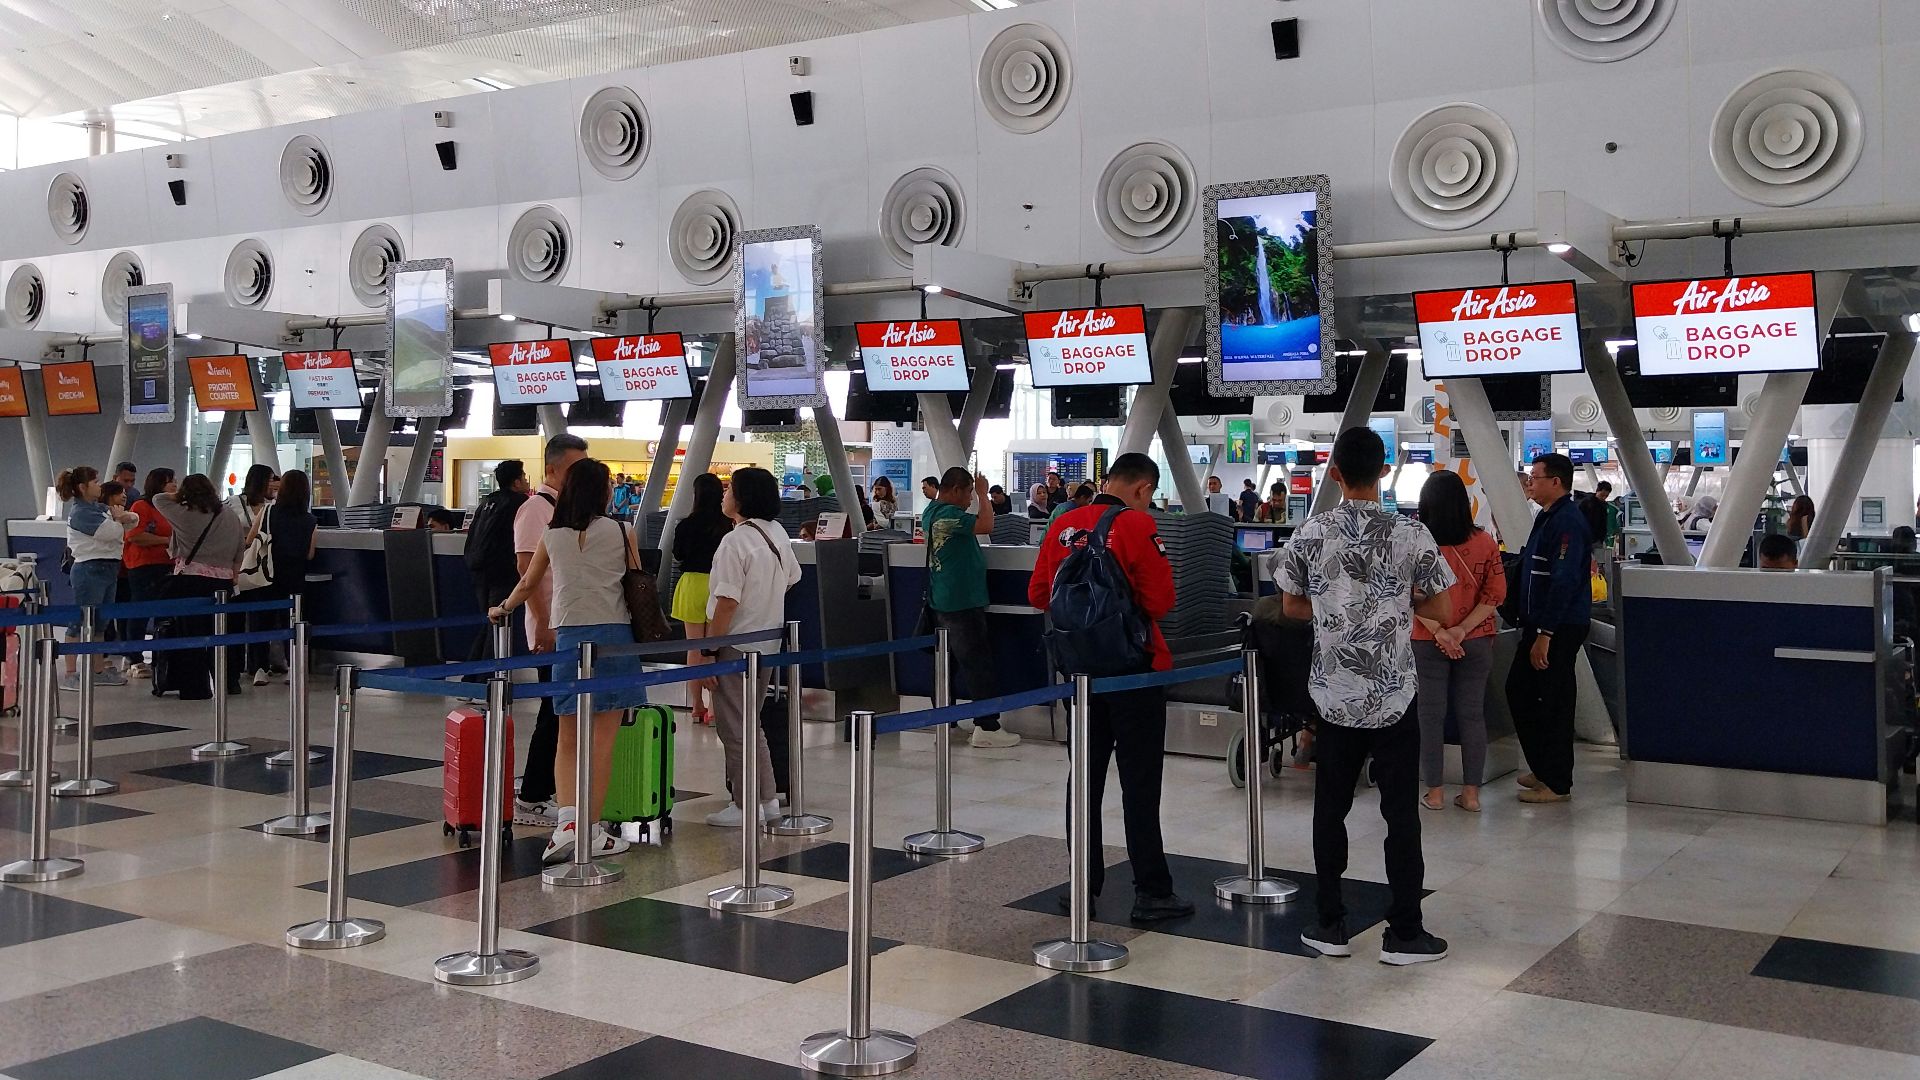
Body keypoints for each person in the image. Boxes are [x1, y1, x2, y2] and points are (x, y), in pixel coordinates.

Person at [1279, 426, 1454, 965]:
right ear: (1385, 472)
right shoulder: (1412, 535)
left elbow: (1290, 608)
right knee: (1401, 814)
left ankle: (1330, 924)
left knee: (1329, 810)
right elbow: (1445, 612)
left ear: (1334, 474)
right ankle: (1404, 932)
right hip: (1393, 698)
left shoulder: (1310, 533)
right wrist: (1404, 603)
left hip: (1333, 697)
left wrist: (1335, 609)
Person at [1029, 452, 1193, 923]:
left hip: (1080, 675)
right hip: (1134, 671)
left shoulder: (1062, 524)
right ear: (1142, 489)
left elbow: (1038, 595)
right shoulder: (1138, 527)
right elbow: (1160, 601)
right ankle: (1152, 892)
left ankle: (1081, 883)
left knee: (1083, 779)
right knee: (1140, 782)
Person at [492, 457, 647, 864]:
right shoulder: (621, 530)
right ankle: (592, 831)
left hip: (569, 638)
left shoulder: (553, 534)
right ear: (603, 492)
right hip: (614, 639)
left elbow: (527, 582)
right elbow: (638, 581)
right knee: (602, 742)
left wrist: (503, 608)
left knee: (567, 738)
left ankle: (567, 824)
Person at [696, 466, 800, 827]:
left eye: (730, 489)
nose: (724, 494)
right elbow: (791, 578)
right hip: (767, 641)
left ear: (742, 498)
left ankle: (746, 805)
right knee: (750, 724)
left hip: (736, 646)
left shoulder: (735, 541)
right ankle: (767, 798)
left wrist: (710, 651)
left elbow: (726, 602)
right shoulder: (776, 533)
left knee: (734, 728)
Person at [1410, 470, 1505, 814]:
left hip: (1425, 639)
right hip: (1476, 640)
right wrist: (1462, 631)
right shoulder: (1484, 543)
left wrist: (1440, 632)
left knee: (1430, 716)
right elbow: (1496, 595)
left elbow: (1407, 596)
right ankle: (1472, 794)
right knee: (1472, 716)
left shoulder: (1417, 542)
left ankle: (1434, 793)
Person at [511, 434, 590, 826]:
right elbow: (527, 571)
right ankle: (532, 796)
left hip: (566, 624)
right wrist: (542, 623)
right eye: (574, 468)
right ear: (552, 469)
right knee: (552, 711)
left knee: (559, 711)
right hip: (550, 627)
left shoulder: (563, 509)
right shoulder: (534, 510)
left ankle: (545, 787)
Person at [1506, 452, 1594, 805]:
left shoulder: (1568, 522)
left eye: (1535, 477)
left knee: (1553, 702)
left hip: (1557, 627)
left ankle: (1556, 782)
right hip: (1539, 624)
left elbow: (1565, 579)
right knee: (1523, 691)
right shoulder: (1548, 517)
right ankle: (1544, 767)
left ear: (1555, 482)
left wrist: (1546, 633)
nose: (1530, 483)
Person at [924, 466, 1020, 749]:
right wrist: (983, 494)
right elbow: (987, 525)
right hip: (961, 601)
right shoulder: (948, 516)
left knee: (947, 665)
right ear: (955, 490)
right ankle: (987, 727)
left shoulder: (932, 512)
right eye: (967, 493)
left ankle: (946, 720)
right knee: (977, 664)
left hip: (943, 598)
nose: (969, 500)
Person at [153, 474, 249, 699]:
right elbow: (239, 549)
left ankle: (196, 687)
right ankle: (229, 682)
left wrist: (180, 494)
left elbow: (158, 499)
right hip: (224, 582)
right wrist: (233, 574)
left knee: (192, 635)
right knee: (223, 634)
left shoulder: (184, 515)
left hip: (192, 581)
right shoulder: (230, 516)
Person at [59, 468, 137, 689]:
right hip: (89, 570)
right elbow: (111, 532)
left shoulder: (99, 508)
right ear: (82, 487)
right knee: (80, 621)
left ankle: (97, 669)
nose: (99, 485)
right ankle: (71, 673)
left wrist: (120, 518)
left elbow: (132, 520)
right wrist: (119, 519)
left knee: (101, 624)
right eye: (95, 481)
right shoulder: (81, 512)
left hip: (110, 568)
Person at [244, 470, 319, 685]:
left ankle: (259, 669)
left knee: (261, 622)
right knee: (293, 624)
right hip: (294, 578)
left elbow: (251, 541)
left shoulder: (267, 511)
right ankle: (294, 668)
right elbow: (310, 554)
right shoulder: (310, 520)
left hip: (265, 576)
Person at [672, 472, 732, 726]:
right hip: (718, 585)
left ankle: (696, 705)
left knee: (694, 648)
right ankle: (715, 709)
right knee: (715, 648)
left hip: (691, 584)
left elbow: (677, 553)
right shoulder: (727, 525)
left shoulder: (685, 524)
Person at [464, 460, 531, 663]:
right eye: (524, 477)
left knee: (490, 622)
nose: (527, 481)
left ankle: (473, 679)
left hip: (479, 570)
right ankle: (486, 680)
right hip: (504, 573)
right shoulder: (520, 503)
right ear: (517, 482)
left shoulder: (487, 501)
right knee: (497, 626)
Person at [121, 468, 176, 679]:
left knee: (164, 613)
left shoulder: (171, 508)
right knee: (141, 611)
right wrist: (166, 541)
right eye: (170, 481)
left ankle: (160, 656)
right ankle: (134, 657)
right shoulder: (141, 506)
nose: (174, 485)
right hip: (143, 565)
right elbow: (134, 536)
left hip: (167, 564)